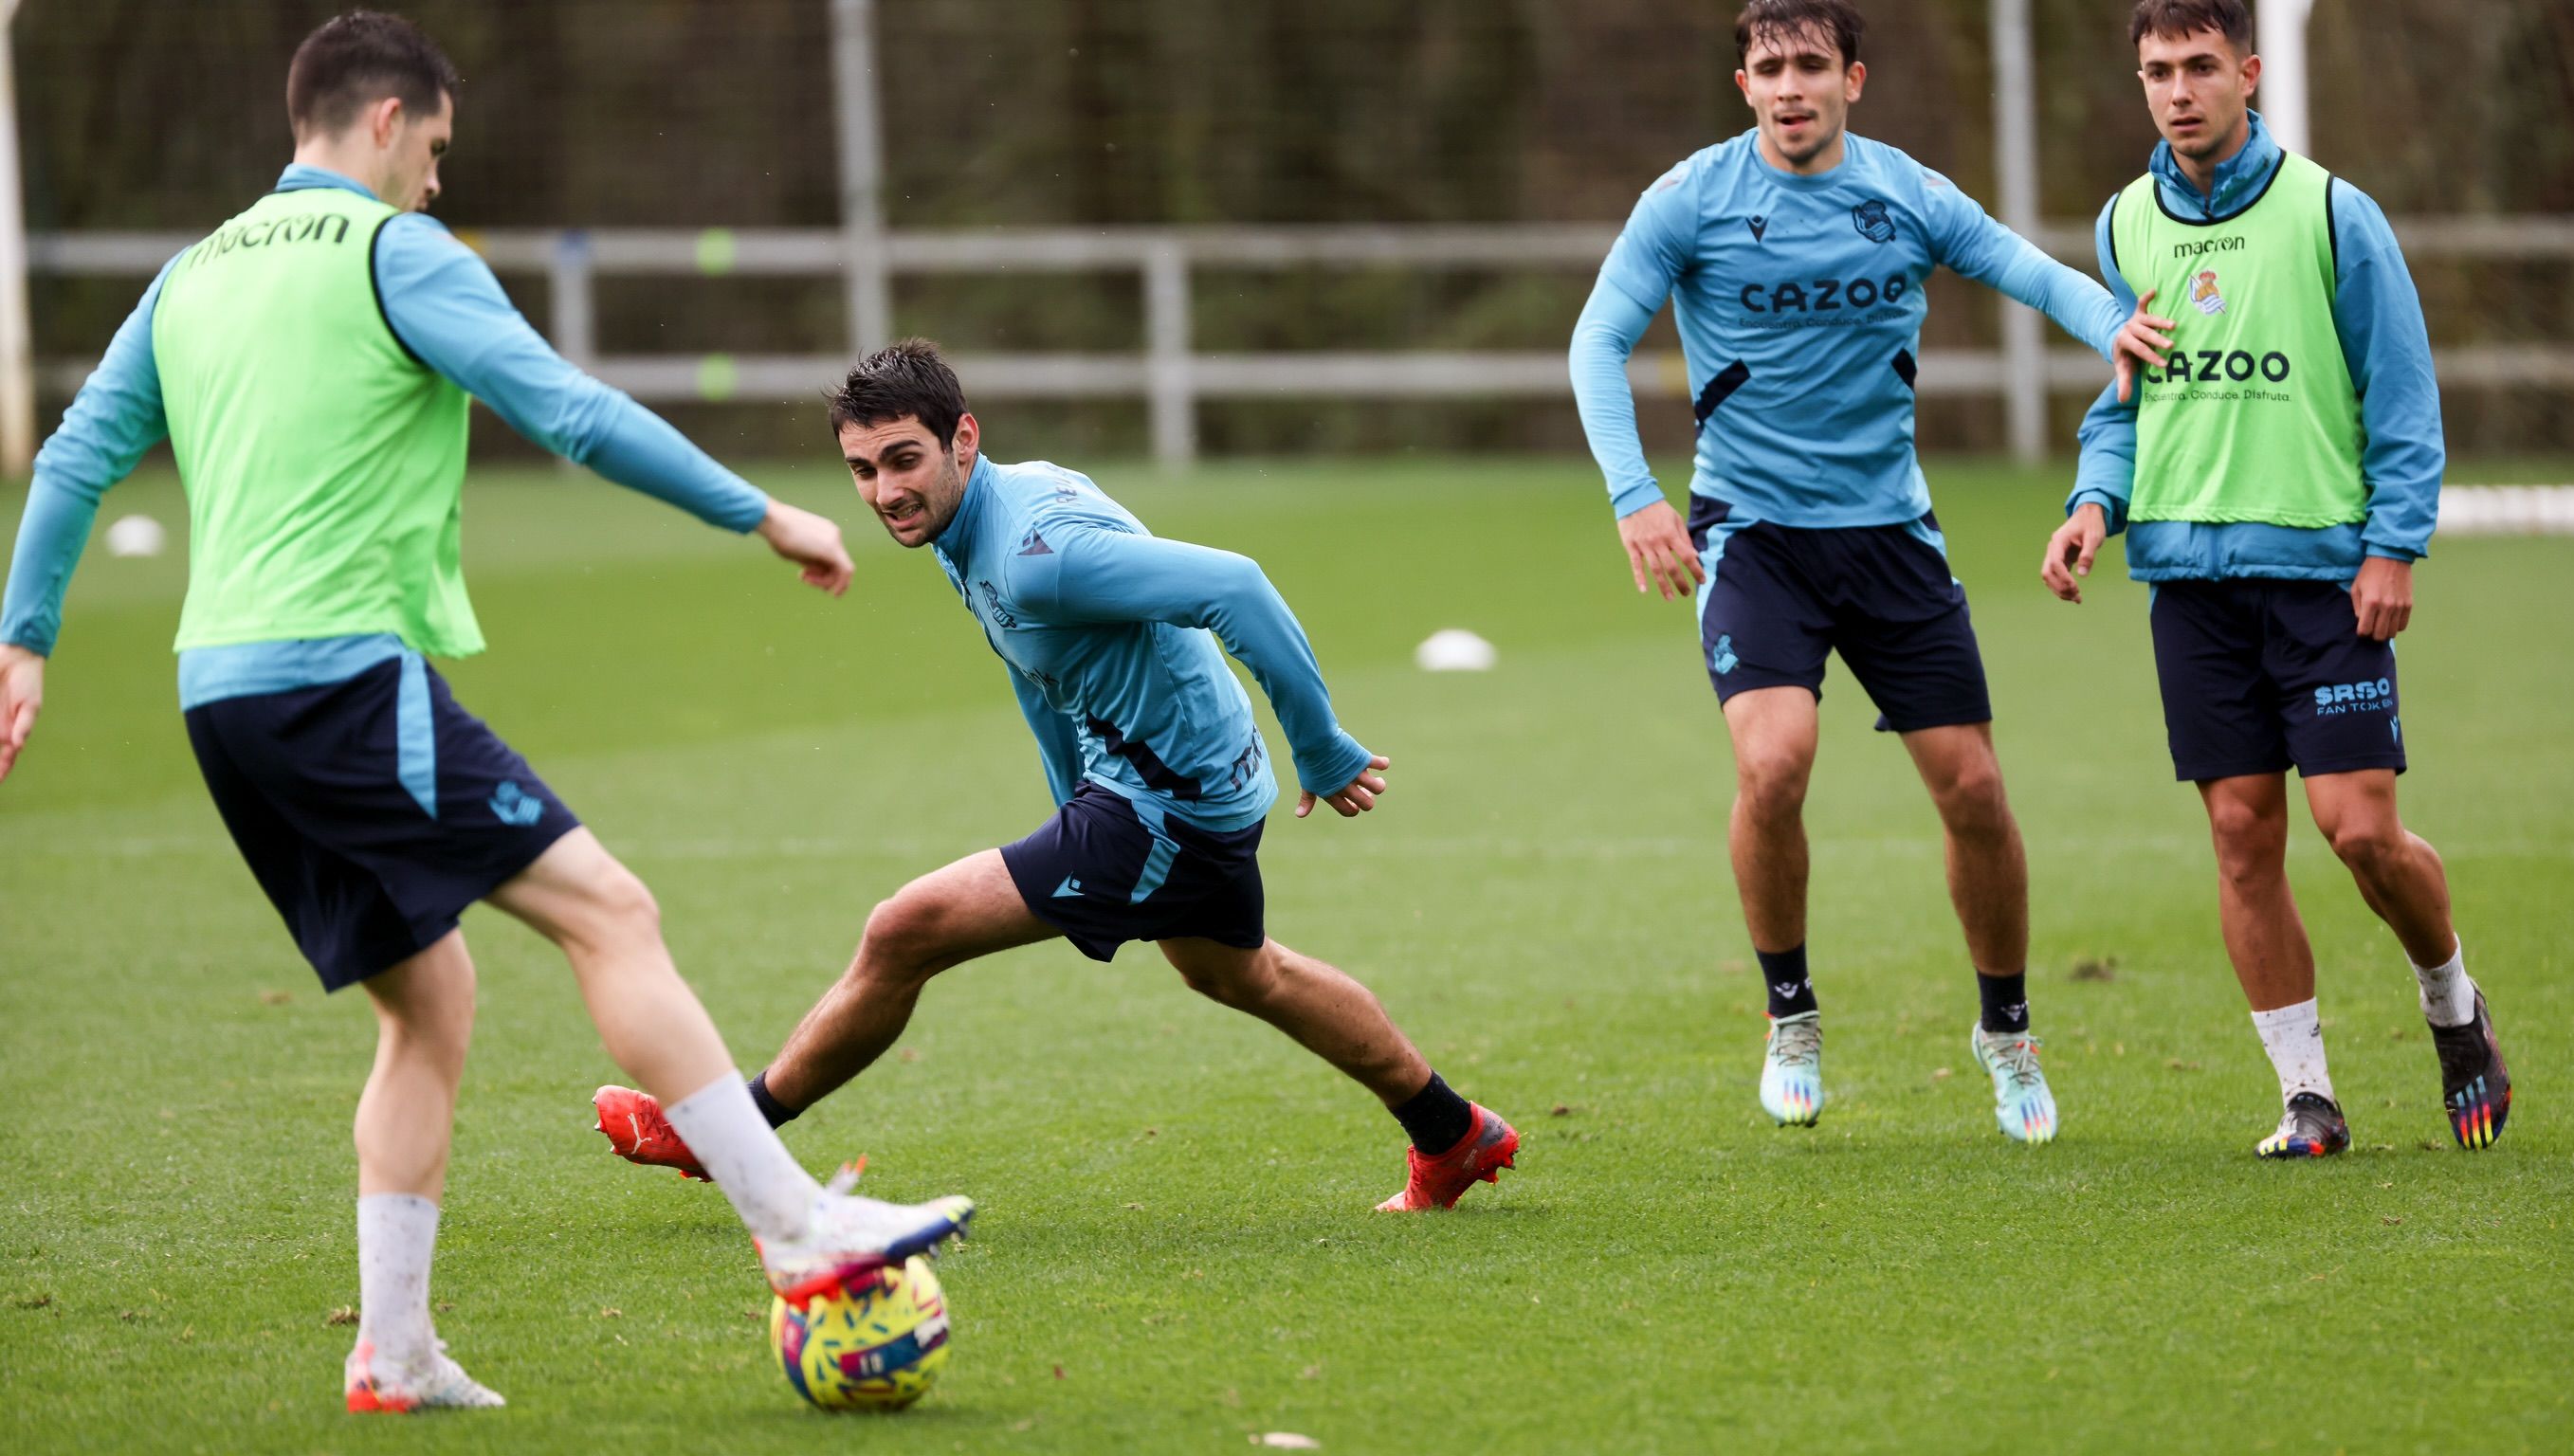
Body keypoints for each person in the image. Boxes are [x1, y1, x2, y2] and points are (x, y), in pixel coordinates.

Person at [0, 11, 973, 1412]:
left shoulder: (190, 274)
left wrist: (24, 641)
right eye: (437, 148)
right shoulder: (397, 252)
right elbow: (567, 412)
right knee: (609, 913)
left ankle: (393, 1353)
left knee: (429, 1000)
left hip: (218, 696)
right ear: (386, 121)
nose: (439, 181)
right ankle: (799, 1230)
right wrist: (757, 511)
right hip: (335, 678)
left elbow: (77, 452)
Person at [591, 339, 1520, 1212]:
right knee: (1243, 976)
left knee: (903, 929)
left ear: (964, 439)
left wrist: (1319, 745)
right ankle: (1452, 1133)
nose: (885, 492)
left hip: (1169, 806)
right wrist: (1070, 795)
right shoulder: (980, 519)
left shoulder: (1038, 554)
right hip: (1173, 786)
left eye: (904, 460)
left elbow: (1235, 586)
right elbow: (1044, 672)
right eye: (863, 470)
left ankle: (730, 1136)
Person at [1566, 0, 2172, 1141]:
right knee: (1777, 763)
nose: (1790, 86)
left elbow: (2024, 270)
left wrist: (2111, 326)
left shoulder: (1906, 192)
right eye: (1767, 68)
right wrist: (1635, 494)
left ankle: (2008, 1031)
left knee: (1977, 795)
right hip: (1753, 535)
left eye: (1810, 66)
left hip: (1891, 536)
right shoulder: (1691, 198)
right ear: (1743, 84)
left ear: (1853, 78)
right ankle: (1790, 1015)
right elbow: (1596, 339)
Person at [2039, 0, 2508, 1158]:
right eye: (2158, 70)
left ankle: (2453, 1006)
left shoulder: (2335, 214)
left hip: (2322, 580)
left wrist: (2394, 545)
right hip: (2189, 586)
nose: (2179, 90)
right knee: (2243, 837)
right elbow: (2128, 397)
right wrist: (2095, 502)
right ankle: (2307, 1095)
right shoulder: (2123, 224)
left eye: (2201, 66)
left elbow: (2401, 397)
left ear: (2249, 73)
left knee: (2358, 835)